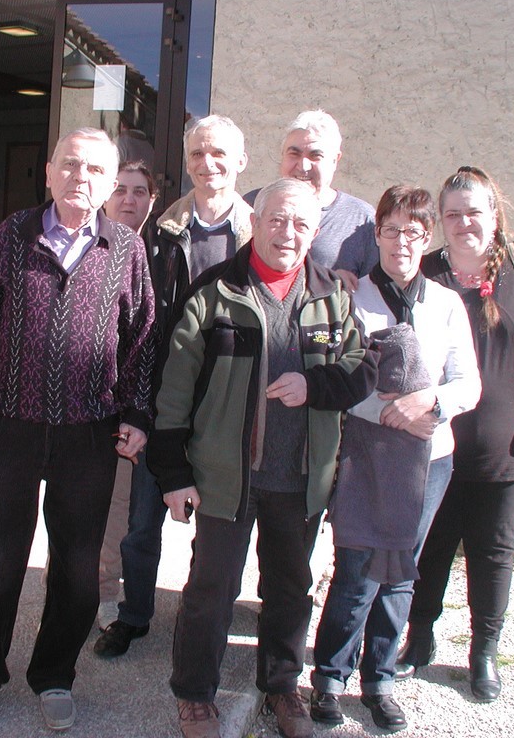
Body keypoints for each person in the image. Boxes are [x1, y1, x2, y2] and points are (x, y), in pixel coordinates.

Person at [0, 128, 156, 733]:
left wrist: (137, 415)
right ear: (49, 171)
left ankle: (55, 674)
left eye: (93, 169)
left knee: (78, 565)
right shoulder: (13, 236)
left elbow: (142, 339)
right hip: (8, 425)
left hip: (88, 432)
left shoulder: (125, 249)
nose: (80, 177)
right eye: (70, 165)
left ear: (111, 184)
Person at [148, 177, 379, 738]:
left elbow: (362, 370)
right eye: (277, 219)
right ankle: (195, 695)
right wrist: (174, 473)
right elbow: (174, 386)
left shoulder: (332, 295)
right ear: (255, 221)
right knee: (211, 590)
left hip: (298, 478)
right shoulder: (213, 292)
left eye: (301, 223)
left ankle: (281, 688)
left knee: (290, 591)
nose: (288, 232)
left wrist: (313, 385)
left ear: (316, 231)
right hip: (225, 476)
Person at [396, 166, 514, 702]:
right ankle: (419, 638)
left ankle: (483, 653)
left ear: (494, 214)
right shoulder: (424, 271)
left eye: (473, 212)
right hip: (435, 443)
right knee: (430, 546)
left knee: (493, 549)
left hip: (510, 443)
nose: (463, 223)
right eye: (451, 214)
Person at [308, 185, 480, 733]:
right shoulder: (350, 298)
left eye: (413, 231)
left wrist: (429, 401)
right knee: (356, 570)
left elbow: (468, 383)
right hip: (364, 455)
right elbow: (329, 377)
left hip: (430, 458)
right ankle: (331, 677)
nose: (402, 241)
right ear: (375, 234)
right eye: (391, 230)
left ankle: (379, 679)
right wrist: (384, 407)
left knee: (400, 572)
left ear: (425, 237)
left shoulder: (447, 304)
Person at [93, 115, 254, 659]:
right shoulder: (161, 232)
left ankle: (199, 617)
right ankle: (134, 615)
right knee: (141, 525)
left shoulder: (261, 233)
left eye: (218, 154)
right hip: (166, 406)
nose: (208, 164)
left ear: (240, 162)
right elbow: (141, 328)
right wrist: (140, 410)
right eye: (197, 155)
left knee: (215, 532)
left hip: (227, 410)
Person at [96, 160, 159, 631]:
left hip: (142, 404)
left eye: (139, 191)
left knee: (125, 512)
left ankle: (109, 593)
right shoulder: (86, 245)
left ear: (152, 200)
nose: (128, 199)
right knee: (91, 505)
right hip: (92, 400)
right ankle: (88, 590)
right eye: (119, 189)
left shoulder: (159, 249)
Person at [245, 110, 377, 292]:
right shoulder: (252, 204)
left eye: (315, 156)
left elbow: (375, 294)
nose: (303, 166)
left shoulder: (361, 219)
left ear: (335, 160)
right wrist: (328, 279)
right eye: (294, 154)